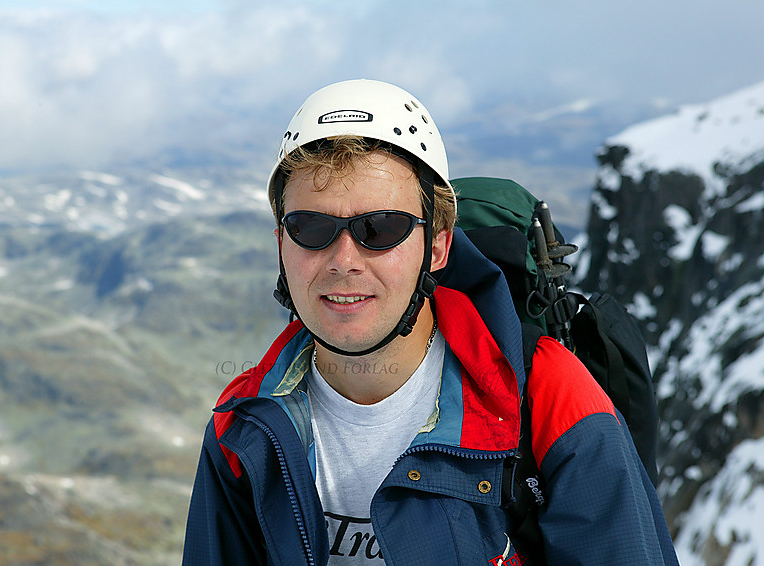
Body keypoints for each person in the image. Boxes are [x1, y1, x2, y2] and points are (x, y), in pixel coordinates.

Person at [182, 79, 679, 565]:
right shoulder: (243, 429)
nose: (344, 260)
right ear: (281, 246)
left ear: (437, 245)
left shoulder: (550, 400)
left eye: (381, 227)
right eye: (311, 227)